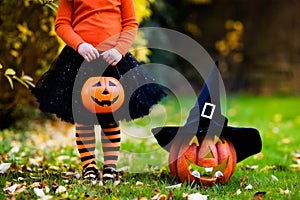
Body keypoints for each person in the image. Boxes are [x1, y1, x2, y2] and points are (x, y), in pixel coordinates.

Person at [32, 0, 166, 182]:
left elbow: (130, 23)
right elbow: (62, 24)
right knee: (83, 118)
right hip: (80, 58)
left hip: (112, 59)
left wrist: (119, 50)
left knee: (110, 117)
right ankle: (89, 166)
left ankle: (110, 167)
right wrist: (79, 44)